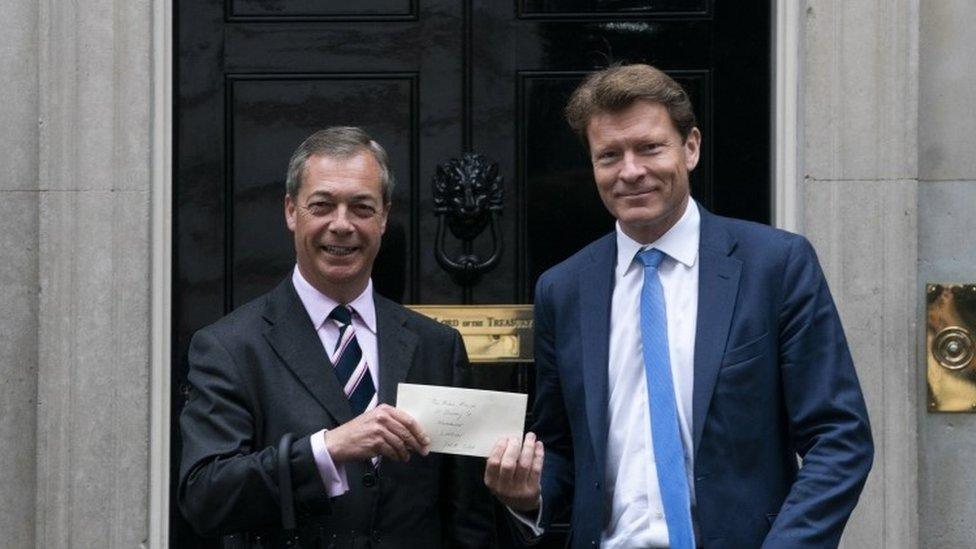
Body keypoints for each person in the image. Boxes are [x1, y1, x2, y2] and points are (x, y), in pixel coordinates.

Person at [484, 64, 873, 548]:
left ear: (690, 147)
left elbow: (839, 438)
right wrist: (529, 495)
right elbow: (561, 448)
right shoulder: (563, 289)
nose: (630, 171)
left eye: (649, 147)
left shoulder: (774, 266)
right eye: (609, 155)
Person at [179, 127, 494, 547]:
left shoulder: (437, 346)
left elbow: (466, 515)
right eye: (322, 206)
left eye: (362, 207)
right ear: (292, 211)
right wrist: (325, 450)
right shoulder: (230, 348)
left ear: (383, 217)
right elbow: (207, 497)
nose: (341, 225)